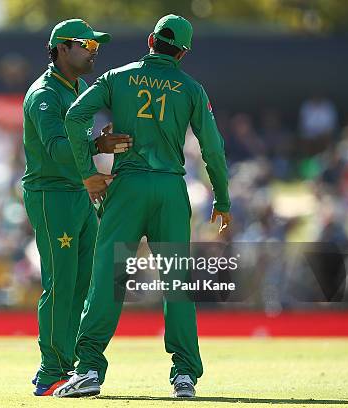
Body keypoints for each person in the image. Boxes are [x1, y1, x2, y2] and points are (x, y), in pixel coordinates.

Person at [53, 15, 231, 398]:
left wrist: (87, 170)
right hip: (170, 190)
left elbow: (74, 116)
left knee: (108, 280)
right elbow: (212, 149)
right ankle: (184, 376)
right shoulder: (192, 89)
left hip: (127, 187)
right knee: (177, 285)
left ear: (150, 40)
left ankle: (88, 371)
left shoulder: (116, 77)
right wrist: (223, 197)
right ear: (182, 52)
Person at [22, 19, 133, 396]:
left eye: (95, 45)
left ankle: (67, 366)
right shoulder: (45, 96)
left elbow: (76, 146)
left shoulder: (79, 88)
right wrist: (96, 149)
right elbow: (55, 150)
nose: (94, 51)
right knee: (62, 282)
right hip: (52, 195)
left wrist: (95, 153)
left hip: (78, 193)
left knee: (84, 283)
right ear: (61, 48)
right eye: (86, 44)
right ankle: (50, 370)